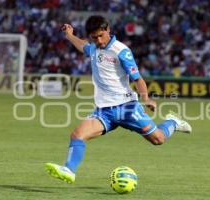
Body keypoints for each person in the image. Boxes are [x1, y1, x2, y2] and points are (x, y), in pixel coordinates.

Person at [44, 15, 192, 184]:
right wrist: (69, 35)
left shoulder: (121, 51)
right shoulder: (93, 48)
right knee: (77, 135)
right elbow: (83, 47)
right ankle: (69, 170)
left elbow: (137, 78)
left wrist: (146, 99)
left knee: (158, 139)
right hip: (104, 111)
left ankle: (172, 122)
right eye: (94, 37)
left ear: (108, 30)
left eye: (101, 36)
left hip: (126, 108)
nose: (98, 41)